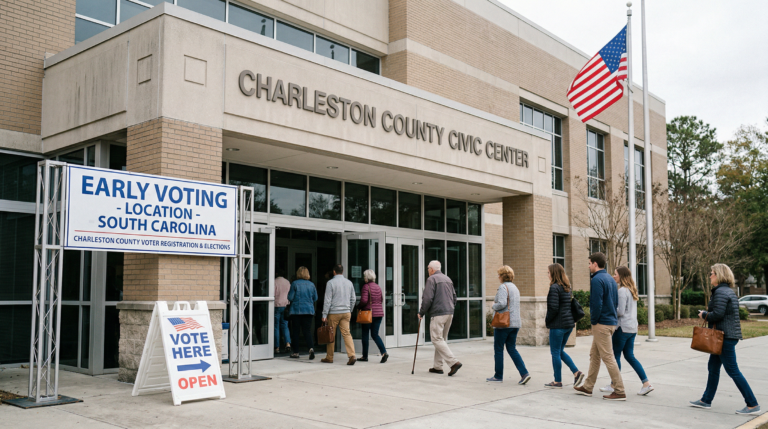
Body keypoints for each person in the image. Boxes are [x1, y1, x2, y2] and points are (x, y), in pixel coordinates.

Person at [690, 264, 760, 414]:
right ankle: (706, 400)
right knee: (713, 367)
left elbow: (718, 314)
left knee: (733, 370)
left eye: (712, 273)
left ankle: (752, 404)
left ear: (719, 275)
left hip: (724, 337)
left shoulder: (721, 292)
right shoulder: (726, 291)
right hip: (724, 336)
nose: (710, 275)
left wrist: (704, 314)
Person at [574, 252, 626, 401]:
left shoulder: (597, 279)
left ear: (595, 264)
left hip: (601, 324)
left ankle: (620, 391)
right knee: (594, 355)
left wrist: (594, 321)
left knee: (608, 357)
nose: (588, 266)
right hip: (610, 322)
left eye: (589, 263)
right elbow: (615, 303)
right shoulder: (610, 279)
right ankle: (588, 387)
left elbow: (596, 304)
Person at [600, 266, 653, 396]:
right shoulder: (631, 290)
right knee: (629, 356)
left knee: (615, 356)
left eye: (616, 274)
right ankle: (646, 383)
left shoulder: (622, 291)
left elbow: (620, 311)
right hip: (632, 329)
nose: (614, 276)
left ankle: (614, 385)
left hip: (622, 328)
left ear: (622, 276)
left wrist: (609, 309)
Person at [486, 265, 531, 384]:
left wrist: (493, 306)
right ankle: (524, 373)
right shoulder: (515, 287)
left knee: (498, 349)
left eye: (499, 275)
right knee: (511, 348)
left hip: (504, 323)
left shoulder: (503, 287)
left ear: (502, 276)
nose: (498, 277)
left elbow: (501, 303)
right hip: (515, 323)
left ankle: (498, 376)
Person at [418, 260, 462, 376]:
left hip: (438, 314)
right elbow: (454, 297)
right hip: (449, 313)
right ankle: (437, 367)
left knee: (436, 339)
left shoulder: (431, 279)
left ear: (432, 269)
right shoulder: (448, 279)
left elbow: (427, 298)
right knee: (441, 339)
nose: (428, 270)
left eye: (428, 268)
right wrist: (450, 308)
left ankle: (453, 362)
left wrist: (421, 312)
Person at [544, 263, 583, 388]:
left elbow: (553, 308)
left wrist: (547, 321)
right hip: (568, 325)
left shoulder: (554, 287)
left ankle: (557, 381)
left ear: (553, 273)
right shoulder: (567, 287)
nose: (547, 275)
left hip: (558, 325)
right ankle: (576, 372)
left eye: (548, 272)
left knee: (555, 352)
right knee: (560, 351)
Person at [321, 264, 357, 365]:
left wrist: (324, 315)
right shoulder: (349, 283)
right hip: (346, 312)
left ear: (334, 272)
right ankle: (352, 355)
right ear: (343, 271)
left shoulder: (330, 283)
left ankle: (329, 357)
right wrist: (350, 309)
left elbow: (327, 300)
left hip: (334, 312)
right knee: (347, 333)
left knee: (331, 334)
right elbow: (353, 299)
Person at [287, 267, 318, 360]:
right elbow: (315, 298)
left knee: (295, 331)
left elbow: (290, 297)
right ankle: (311, 348)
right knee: (307, 331)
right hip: (308, 310)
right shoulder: (312, 285)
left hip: (296, 311)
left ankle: (296, 352)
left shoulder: (294, 283)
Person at [359, 270, 388, 363]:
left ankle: (365, 356)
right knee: (375, 334)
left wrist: (358, 306)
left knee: (365, 334)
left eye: (364, 276)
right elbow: (381, 299)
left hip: (368, 313)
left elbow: (364, 300)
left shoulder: (366, 286)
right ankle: (384, 352)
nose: (364, 278)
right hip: (379, 313)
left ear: (366, 278)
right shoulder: (378, 287)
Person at [274, 274, 292, 354]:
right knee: (285, 325)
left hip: (276, 305)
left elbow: (273, 294)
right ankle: (287, 343)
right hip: (285, 306)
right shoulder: (287, 282)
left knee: (276, 326)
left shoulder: (275, 282)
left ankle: (276, 347)